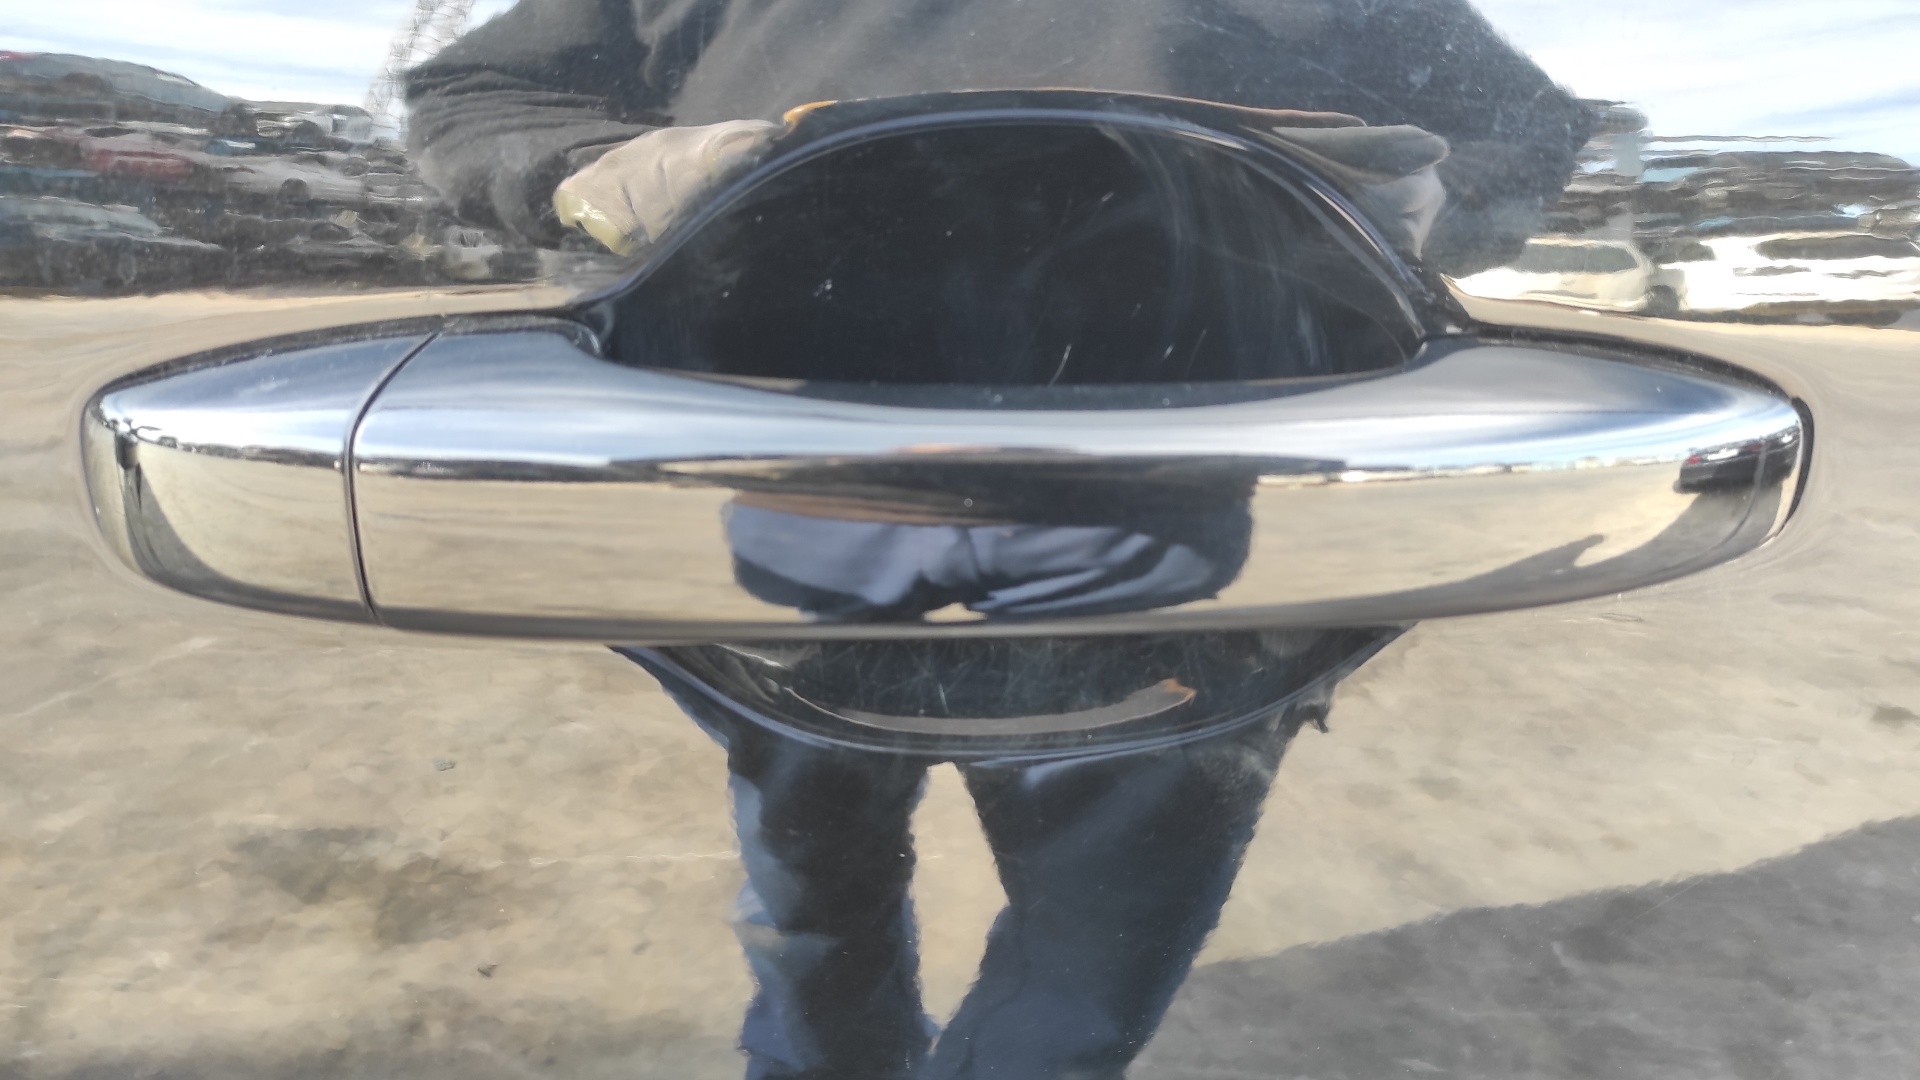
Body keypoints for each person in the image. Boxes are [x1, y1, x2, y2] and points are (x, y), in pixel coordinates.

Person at [406, 4, 1588, 1076]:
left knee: (1100, 928)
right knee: (813, 882)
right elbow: (472, 95)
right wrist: (595, 170)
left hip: (1154, 490)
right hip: (813, 479)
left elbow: (1527, 127)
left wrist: (1425, 203)